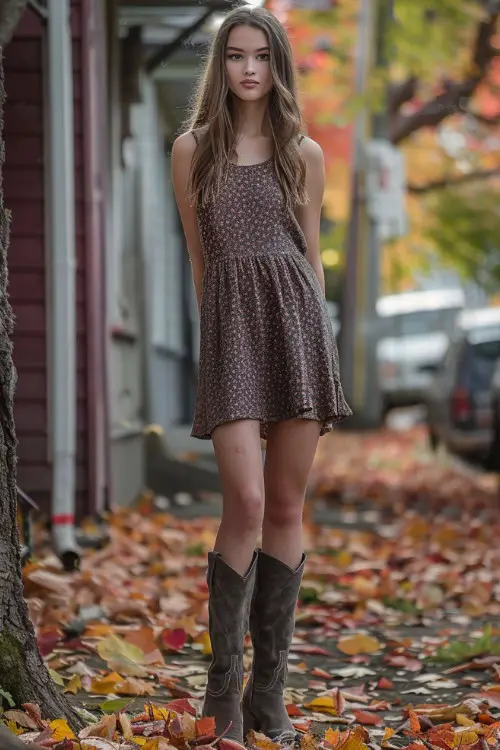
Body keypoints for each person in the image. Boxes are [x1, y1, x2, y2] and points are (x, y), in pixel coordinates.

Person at [171, 5, 351, 746]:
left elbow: (309, 260)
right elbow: (197, 261)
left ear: (277, 66)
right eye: (236, 56)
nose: (248, 68)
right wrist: (215, 339)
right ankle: (222, 692)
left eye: (262, 56)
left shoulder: (302, 152)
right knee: (242, 500)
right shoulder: (192, 150)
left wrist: (323, 347)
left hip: (297, 326)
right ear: (222, 66)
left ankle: (267, 696)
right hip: (231, 330)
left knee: (283, 504)